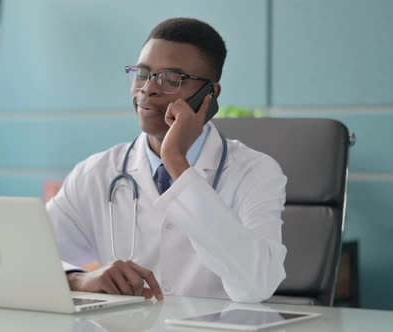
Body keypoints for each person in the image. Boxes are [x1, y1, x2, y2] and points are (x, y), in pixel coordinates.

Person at [46, 17, 287, 303]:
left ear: (209, 93)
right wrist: (82, 280)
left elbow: (257, 285)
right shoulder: (95, 173)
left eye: (171, 79)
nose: (148, 89)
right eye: (142, 73)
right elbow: (27, 257)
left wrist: (176, 162)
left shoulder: (254, 172)